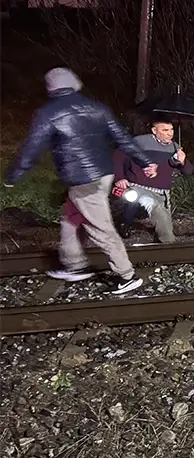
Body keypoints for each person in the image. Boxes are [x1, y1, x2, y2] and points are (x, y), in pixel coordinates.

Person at [3, 68, 157, 294]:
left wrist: (12, 176)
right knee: (70, 219)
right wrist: (145, 162)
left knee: (100, 228)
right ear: (74, 83)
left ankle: (127, 275)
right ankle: (74, 264)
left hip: (83, 179)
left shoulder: (48, 112)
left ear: (51, 87)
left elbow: (31, 147)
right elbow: (122, 138)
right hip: (103, 174)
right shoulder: (97, 107)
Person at [113, 116, 194, 243]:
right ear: (154, 131)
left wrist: (182, 161)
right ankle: (169, 246)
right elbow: (118, 157)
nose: (170, 133)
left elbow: (188, 171)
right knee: (157, 209)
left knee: (164, 222)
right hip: (139, 187)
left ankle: (160, 249)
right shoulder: (140, 142)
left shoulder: (175, 147)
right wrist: (120, 177)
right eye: (165, 130)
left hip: (162, 192)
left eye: (171, 130)